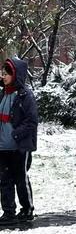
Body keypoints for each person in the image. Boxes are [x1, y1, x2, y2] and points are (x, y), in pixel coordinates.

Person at [0, 57, 38, 225]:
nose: (4, 76)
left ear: (16, 74)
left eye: (7, 73)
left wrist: (16, 134)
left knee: (20, 179)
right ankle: (8, 213)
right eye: (2, 72)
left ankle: (27, 209)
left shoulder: (25, 96)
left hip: (19, 147)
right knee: (4, 180)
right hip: (2, 147)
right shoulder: (2, 94)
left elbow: (32, 122)